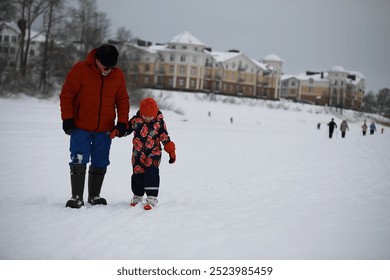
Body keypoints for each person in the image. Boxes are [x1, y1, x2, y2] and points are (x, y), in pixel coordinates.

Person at [60, 44, 130, 208]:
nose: (108, 70)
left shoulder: (118, 75)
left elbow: (122, 100)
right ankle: (76, 196)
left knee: (101, 160)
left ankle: (94, 196)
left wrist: (122, 122)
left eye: (112, 67)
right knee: (79, 157)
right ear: (97, 61)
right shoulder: (81, 70)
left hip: (105, 129)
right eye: (106, 66)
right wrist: (67, 118)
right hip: (81, 126)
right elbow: (67, 94)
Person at [112, 97, 176, 210]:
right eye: (145, 116)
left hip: (153, 153)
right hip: (138, 153)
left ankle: (151, 197)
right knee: (137, 174)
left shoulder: (159, 122)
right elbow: (127, 128)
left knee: (151, 173)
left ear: (155, 113)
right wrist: (118, 131)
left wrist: (170, 150)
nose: (147, 118)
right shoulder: (136, 120)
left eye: (150, 116)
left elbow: (164, 137)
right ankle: (137, 196)